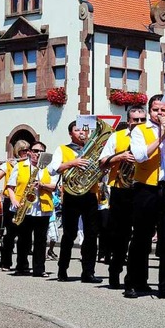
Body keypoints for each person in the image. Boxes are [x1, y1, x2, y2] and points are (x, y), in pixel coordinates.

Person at [123, 95, 165, 300]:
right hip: (146, 188)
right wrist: (161, 135)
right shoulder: (139, 130)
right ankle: (134, 283)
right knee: (141, 237)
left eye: (163, 110)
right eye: (155, 110)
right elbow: (140, 155)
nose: (159, 114)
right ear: (149, 111)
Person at [47, 121, 101, 284]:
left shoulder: (94, 150)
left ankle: (88, 272)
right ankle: (62, 269)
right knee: (69, 235)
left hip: (90, 194)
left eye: (83, 130)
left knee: (91, 235)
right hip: (71, 195)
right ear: (71, 133)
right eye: (77, 130)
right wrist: (72, 163)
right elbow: (52, 169)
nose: (81, 133)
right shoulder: (62, 149)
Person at [99, 106, 147, 290]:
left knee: (142, 236)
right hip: (121, 190)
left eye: (142, 120)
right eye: (135, 120)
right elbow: (102, 163)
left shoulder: (148, 136)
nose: (139, 123)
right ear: (129, 121)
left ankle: (139, 278)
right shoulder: (117, 137)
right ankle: (114, 273)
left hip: (143, 189)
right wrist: (120, 156)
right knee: (120, 236)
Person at [6, 140, 57, 277]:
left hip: (42, 208)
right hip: (25, 207)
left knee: (40, 241)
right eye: (35, 151)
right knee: (24, 239)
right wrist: (14, 200)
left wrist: (42, 185)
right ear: (29, 152)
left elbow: (56, 186)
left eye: (40, 151)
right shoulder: (20, 166)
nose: (37, 154)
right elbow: (10, 187)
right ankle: (21, 266)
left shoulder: (49, 168)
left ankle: (39, 269)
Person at [0, 139, 30, 271]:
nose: (25, 153)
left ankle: (23, 262)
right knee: (10, 234)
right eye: (23, 151)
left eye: (27, 151)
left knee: (25, 235)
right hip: (11, 200)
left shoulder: (29, 165)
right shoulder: (9, 165)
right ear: (17, 152)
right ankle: (6, 262)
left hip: (25, 201)